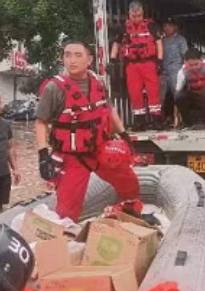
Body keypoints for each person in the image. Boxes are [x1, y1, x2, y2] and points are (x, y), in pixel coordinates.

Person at [35, 40, 139, 221]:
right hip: (72, 157)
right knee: (66, 211)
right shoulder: (54, 88)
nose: (72, 60)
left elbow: (109, 110)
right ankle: (66, 233)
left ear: (89, 60)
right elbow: (40, 122)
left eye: (78, 55)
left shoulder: (98, 82)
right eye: (67, 55)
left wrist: (124, 135)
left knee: (129, 182)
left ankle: (129, 212)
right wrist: (43, 155)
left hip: (101, 149)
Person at [110, 1, 164, 130]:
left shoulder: (151, 26)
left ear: (142, 13)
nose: (136, 18)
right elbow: (116, 44)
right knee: (134, 92)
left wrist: (160, 61)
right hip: (132, 65)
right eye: (134, 16)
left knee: (153, 90)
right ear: (129, 14)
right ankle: (140, 121)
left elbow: (158, 43)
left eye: (139, 16)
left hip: (149, 62)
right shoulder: (123, 28)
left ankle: (156, 119)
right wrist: (112, 60)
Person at [175, 49, 205, 127]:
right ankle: (187, 123)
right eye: (191, 65)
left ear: (201, 60)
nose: (194, 67)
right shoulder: (182, 72)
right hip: (194, 97)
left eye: (196, 64)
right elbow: (177, 91)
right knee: (180, 96)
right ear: (185, 62)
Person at [160, 19, 188, 126]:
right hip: (163, 71)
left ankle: (180, 119)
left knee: (177, 95)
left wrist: (184, 71)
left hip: (176, 70)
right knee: (162, 97)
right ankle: (165, 119)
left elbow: (185, 56)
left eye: (170, 26)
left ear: (175, 27)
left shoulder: (180, 40)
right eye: (166, 26)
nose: (167, 28)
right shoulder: (161, 40)